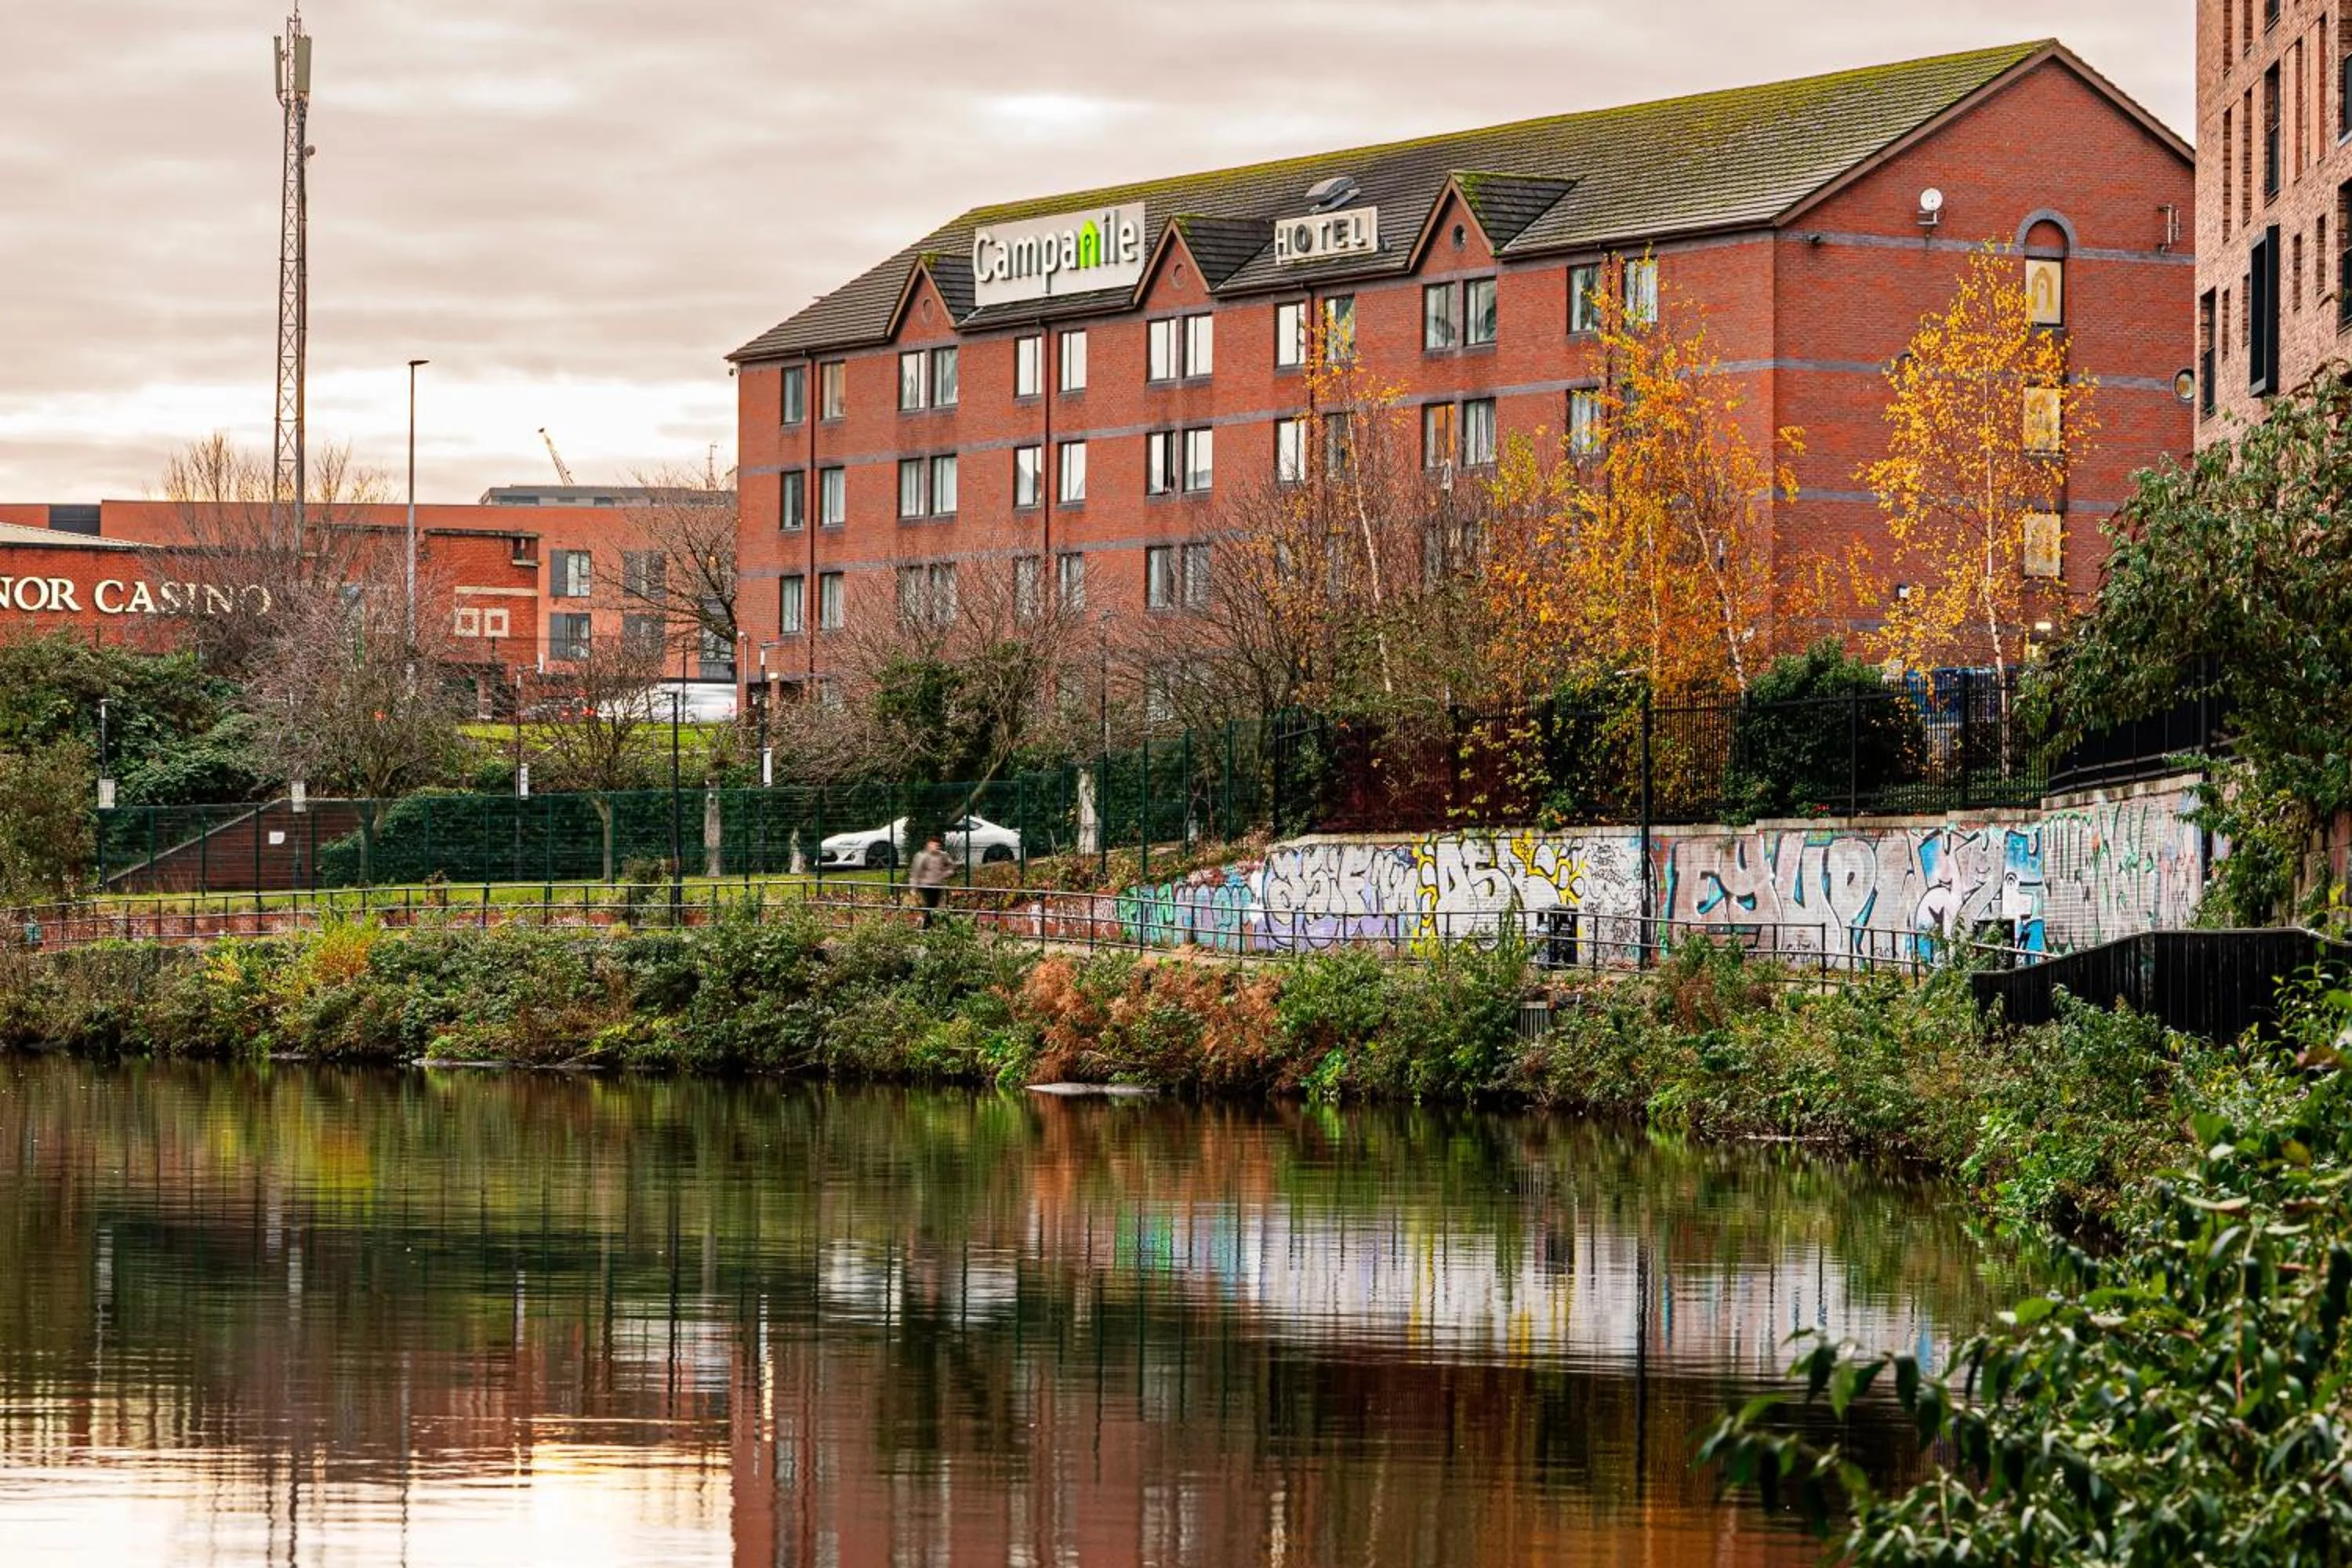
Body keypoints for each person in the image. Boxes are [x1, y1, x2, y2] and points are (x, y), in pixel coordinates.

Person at [909, 837, 954, 927]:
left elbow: (951, 867)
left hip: (938, 884)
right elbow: (916, 872)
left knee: (934, 905)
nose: (936, 847)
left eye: (937, 845)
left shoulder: (943, 855)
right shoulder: (922, 856)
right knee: (930, 905)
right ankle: (926, 926)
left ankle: (927, 924)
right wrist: (913, 888)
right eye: (933, 844)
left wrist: (945, 874)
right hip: (925, 885)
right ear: (928, 845)